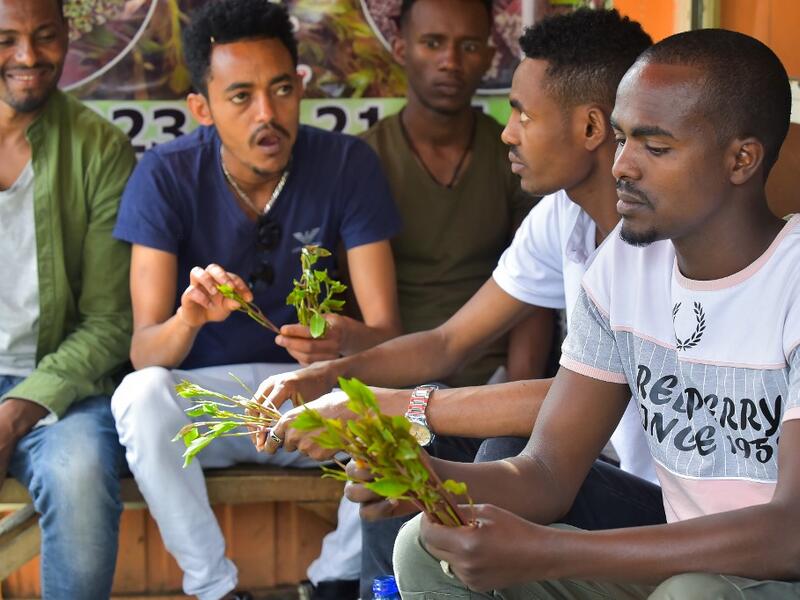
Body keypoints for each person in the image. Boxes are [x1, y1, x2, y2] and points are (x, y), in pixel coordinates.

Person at [377, 28, 800, 599]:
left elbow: (790, 532)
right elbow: (547, 474)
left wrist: (549, 551)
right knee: (424, 546)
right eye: (622, 139)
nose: (622, 165)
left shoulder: (791, 280)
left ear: (741, 159)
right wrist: (427, 479)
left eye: (655, 147)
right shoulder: (623, 268)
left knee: (692, 593)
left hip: (774, 571)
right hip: (679, 559)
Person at [255, 9, 658, 597]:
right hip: (586, 462)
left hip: (651, 498)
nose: (508, 131)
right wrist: (332, 376)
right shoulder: (563, 217)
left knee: (493, 448)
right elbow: (449, 341)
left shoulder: (656, 241)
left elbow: (579, 397)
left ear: (593, 128)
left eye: (523, 113)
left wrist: (392, 404)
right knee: (391, 453)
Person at [109, 1, 402, 599]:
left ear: (299, 86)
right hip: (208, 409)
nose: (268, 114)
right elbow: (145, 352)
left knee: (408, 409)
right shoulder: (164, 175)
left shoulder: (347, 163)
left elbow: (389, 335)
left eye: (280, 89)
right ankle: (213, 588)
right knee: (139, 396)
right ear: (202, 107)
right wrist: (189, 318)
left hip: (308, 399)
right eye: (240, 97)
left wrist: (345, 340)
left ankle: (336, 583)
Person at [0, 0, 135, 597]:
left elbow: (110, 321)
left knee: (79, 473)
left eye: (45, 36)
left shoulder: (99, 148)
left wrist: (15, 411)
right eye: (6, 39)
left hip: (61, 387)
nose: (29, 57)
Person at [360, 0, 548, 390]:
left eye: (468, 46)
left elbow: (537, 291)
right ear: (400, 49)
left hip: (490, 382)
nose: (450, 61)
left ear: (489, 57)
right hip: (392, 382)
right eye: (432, 43)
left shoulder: (514, 158)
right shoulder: (363, 161)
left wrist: (513, 400)